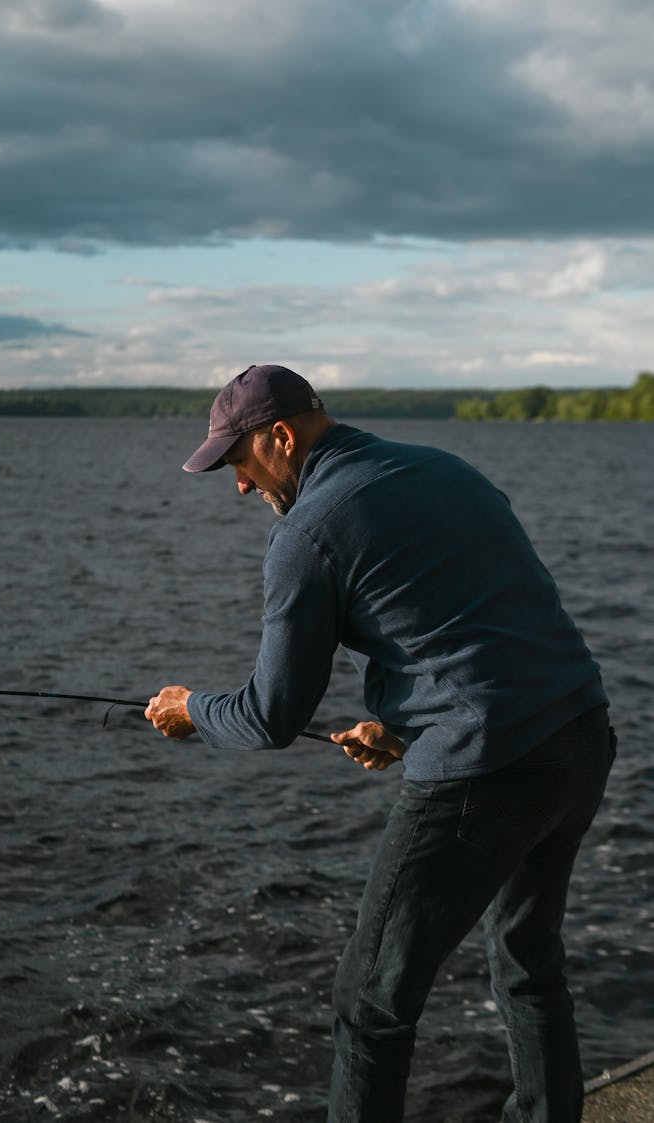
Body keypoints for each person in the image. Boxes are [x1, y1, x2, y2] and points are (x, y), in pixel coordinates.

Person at [145, 363, 615, 1123]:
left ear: (282, 436)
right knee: (528, 963)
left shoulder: (305, 533)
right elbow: (494, 624)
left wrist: (193, 708)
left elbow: (269, 715)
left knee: (370, 1001)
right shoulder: (446, 468)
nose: (237, 485)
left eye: (238, 461)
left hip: (486, 768)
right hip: (581, 734)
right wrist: (403, 726)